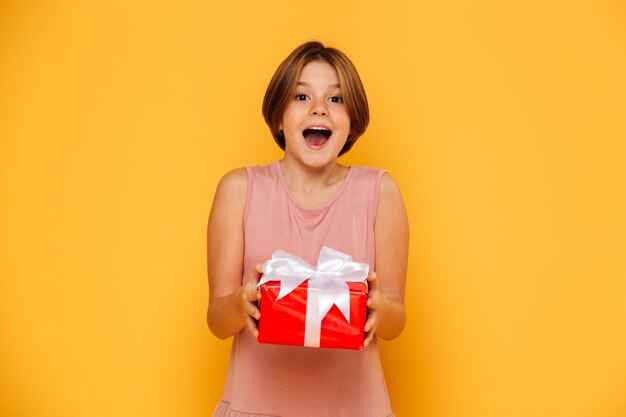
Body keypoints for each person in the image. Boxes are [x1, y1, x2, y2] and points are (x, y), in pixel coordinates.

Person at [207, 41, 409, 417]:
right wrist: (243, 302)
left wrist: (379, 308)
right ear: (279, 116)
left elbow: (396, 318)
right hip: (256, 408)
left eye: (335, 99)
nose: (319, 108)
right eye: (302, 95)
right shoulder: (238, 190)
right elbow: (217, 319)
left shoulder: (381, 192)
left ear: (351, 121)